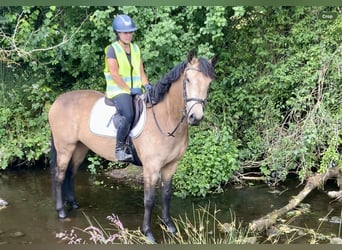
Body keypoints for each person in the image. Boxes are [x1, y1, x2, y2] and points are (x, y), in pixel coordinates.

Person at [104, 14, 152, 162]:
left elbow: (141, 72)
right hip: (118, 90)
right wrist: (129, 90)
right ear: (118, 33)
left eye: (130, 32)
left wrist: (147, 85)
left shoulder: (136, 49)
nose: (128, 35)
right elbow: (114, 74)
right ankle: (119, 148)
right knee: (129, 115)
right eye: (125, 32)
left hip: (136, 89)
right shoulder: (112, 49)